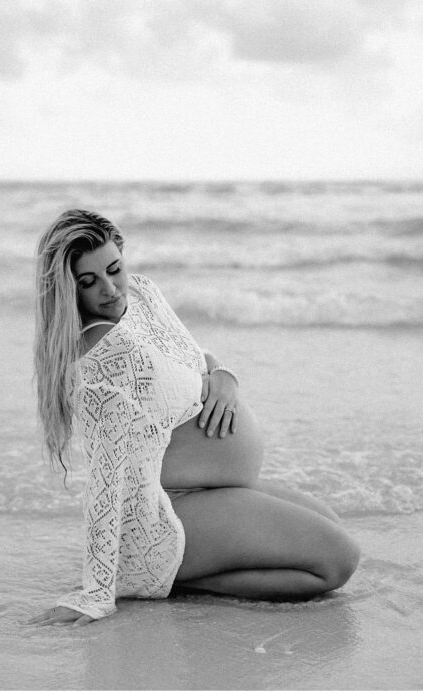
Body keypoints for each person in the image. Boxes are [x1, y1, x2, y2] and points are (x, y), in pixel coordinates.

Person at [28, 209, 360, 626]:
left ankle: (190, 571)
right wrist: (96, 593)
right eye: (88, 282)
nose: (111, 290)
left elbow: (194, 357)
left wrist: (224, 377)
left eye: (114, 269)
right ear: (66, 291)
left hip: (207, 489)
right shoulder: (100, 357)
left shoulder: (143, 296)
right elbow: (105, 477)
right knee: (338, 560)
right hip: (165, 514)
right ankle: (170, 578)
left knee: (332, 527)